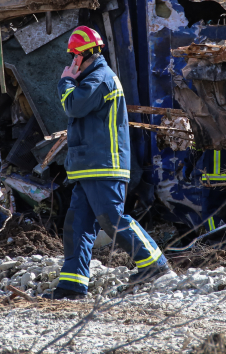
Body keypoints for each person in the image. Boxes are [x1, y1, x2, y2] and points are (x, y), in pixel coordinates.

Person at [46, 26, 170, 300]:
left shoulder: (100, 79)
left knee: (112, 219)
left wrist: (65, 81)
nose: (71, 62)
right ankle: (72, 286)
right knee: (77, 225)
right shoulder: (93, 78)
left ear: (80, 56)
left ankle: (154, 263)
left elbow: (73, 106)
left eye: (73, 57)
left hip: (104, 166)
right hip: (88, 167)